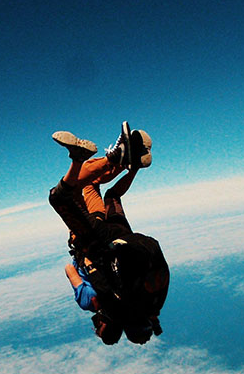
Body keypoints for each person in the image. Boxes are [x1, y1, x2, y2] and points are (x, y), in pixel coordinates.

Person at [48, 124, 169, 345]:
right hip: (94, 239)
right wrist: (84, 262)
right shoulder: (97, 303)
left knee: (108, 194)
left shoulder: (152, 304)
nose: (95, 325)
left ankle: (132, 166)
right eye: (98, 328)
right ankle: (83, 158)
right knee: (61, 197)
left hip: (123, 235)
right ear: (106, 324)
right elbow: (70, 270)